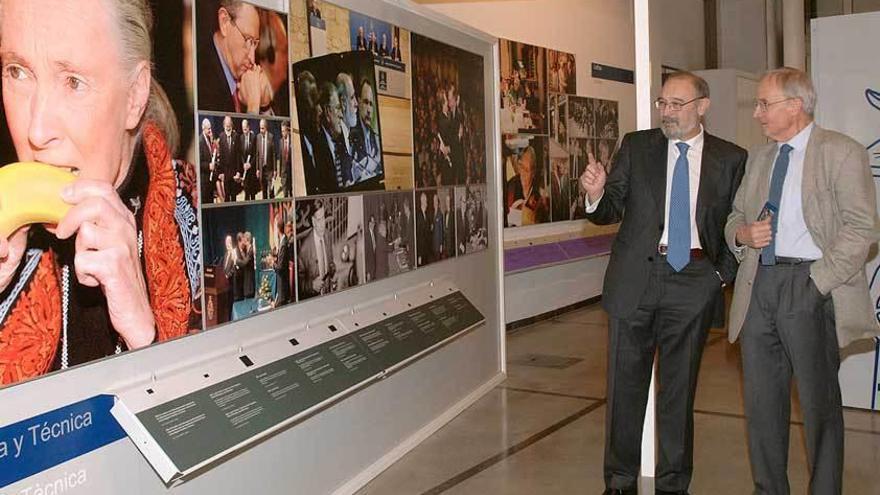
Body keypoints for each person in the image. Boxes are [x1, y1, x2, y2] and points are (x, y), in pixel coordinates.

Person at [0, 0, 202, 386]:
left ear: (134, 96)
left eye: (73, 81)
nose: (37, 131)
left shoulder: (200, 216)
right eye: (17, 71)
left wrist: (145, 337)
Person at [580, 72, 747, 495]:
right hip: (636, 277)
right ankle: (619, 483)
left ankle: (674, 484)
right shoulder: (638, 147)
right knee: (624, 390)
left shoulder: (730, 158)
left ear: (702, 106)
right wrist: (597, 193)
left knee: (678, 391)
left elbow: (733, 221)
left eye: (677, 104)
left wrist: (718, 275)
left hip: (692, 279)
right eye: (663, 103)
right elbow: (609, 209)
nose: (668, 112)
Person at [724, 67, 880, 495]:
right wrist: (742, 234)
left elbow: (863, 228)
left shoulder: (841, 152)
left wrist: (816, 283)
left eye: (764, 103)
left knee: (819, 407)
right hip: (759, 286)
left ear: (795, 105)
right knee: (761, 406)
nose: (757, 113)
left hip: (809, 285)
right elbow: (736, 216)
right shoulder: (758, 158)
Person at [198, 0, 270, 114]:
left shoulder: (244, 80)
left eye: (254, 43)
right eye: (247, 40)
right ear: (224, 22)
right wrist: (253, 106)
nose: (252, 58)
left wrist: (264, 106)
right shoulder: (200, 78)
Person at [315, 81, 353, 191]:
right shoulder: (317, 148)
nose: (341, 115)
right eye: (337, 108)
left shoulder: (342, 143)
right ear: (327, 111)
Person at [297, 202, 336, 300]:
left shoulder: (328, 235)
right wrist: (311, 285)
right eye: (319, 220)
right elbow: (297, 284)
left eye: (323, 218)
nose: (323, 224)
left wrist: (333, 273)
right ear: (313, 221)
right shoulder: (304, 250)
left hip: (329, 294)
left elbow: (330, 263)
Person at [505, 145, 549, 226]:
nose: (523, 174)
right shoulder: (510, 186)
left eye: (527, 170)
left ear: (533, 172)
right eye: (521, 167)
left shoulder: (540, 193)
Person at [350, 79, 382, 182]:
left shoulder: (376, 138)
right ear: (358, 102)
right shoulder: (351, 134)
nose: (369, 110)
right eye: (366, 102)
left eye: (371, 104)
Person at [219, 115, 240, 201]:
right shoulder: (221, 136)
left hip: (234, 171)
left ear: (231, 125)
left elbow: (238, 155)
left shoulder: (236, 136)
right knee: (227, 196)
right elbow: (221, 156)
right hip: (226, 172)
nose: (228, 128)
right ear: (224, 126)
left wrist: (238, 171)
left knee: (234, 196)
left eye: (229, 126)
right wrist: (221, 172)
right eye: (226, 126)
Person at [273, 219, 291, 307]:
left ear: (277, 229)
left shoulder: (283, 243)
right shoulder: (283, 241)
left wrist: (272, 263)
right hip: (282, 282)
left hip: (283, 285)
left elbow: (280, 268)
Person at [256, 119, 275, 199]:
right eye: (260, 128)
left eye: (263, 128)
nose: (261, 130)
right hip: (262, 169)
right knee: (264, 191)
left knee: (271, 190)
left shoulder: (271, 137)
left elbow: (274, 154)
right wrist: (257, 169)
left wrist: (275, 170)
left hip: (269, 168)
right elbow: (257, 154)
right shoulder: (258, 137)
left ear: (266, 127)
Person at [239, 119, 257, 200]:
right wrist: (243, 164)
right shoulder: (241, 138)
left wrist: (250, 164)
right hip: (245, 170)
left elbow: (256, 154)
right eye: (243, 129)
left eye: (245, 129)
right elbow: (241, 154)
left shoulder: (254, 137)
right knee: (246, 193)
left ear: (249, 127)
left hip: (252, 169)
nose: (244, 131)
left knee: (252, 194)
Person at [199, 118, 216, 203]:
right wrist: (208, 166)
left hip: (210, 181)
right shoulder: (200, 141)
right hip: (204, 181)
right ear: (203, 128)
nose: (210, 130)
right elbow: (199, 162)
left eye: (210, 128)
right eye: (208, 129)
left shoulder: (209, 138)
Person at [416, 192, 432, 266]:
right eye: (425, 200)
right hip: (421, 251)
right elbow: (418, 236)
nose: (427, 202)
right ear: (422, 201)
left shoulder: (426, 214)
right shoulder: (419, 215)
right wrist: (419, 255)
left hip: (427, 250)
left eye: (426, 200)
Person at [279, 121, 292, 198]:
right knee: (285, 192)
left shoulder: (293, 140)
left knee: (291, 190)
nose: (283, 133)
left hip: (291, 170)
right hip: (284, 171)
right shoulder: (280, 141)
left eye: (284, 131)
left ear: (288, 130)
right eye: (281, 131)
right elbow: (280, 158)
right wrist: (280, 172)